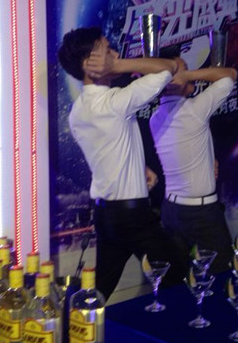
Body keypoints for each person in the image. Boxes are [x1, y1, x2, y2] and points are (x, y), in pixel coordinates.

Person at [57, 27, 184, 301]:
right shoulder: (115, 102)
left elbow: (107, 151)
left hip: (106, 215)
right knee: (176, 273)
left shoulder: (78, 111)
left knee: (100, 288)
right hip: (132, 216)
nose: (115, 55)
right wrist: (118, 66)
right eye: (107, 51)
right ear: (89, 64)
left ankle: (72, 325)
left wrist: (138, 168)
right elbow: (170, 67)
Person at [149, 57, 237, 273]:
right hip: (200, 213)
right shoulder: (194, 110)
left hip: (171, 209)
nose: (189, 74)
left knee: (183, 277)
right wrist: (186, 76)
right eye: (183, 70)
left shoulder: (155, 118)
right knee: (222, 274)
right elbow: (230, 75)